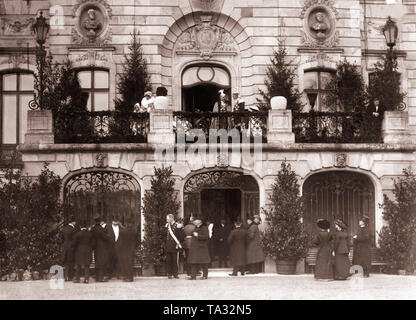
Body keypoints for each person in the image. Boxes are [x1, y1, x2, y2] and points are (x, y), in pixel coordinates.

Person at [91, 216, 111, 282]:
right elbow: (105, 237)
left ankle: (96, 277)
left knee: (97, 262)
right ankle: (100, 278)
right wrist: (109, 237)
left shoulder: (93, 228)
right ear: (100, 221)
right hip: (102, 246)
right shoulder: (101, 229)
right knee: (102, 262)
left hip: (95, 246)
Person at [164, 214, 183, 279]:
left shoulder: (178, 226)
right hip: (168, 246)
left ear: (171, 218)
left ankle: (175, 273)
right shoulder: (167, 226)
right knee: (168, 260)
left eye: (167, 219)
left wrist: (178, 243)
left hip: (175, 245)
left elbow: (181, 236)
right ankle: (169, 273)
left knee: (175, 260)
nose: (166, 220)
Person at [62, 215, 78, 281]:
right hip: (71, 247)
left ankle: (66, 276)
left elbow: (62, 238)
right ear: (73, 222)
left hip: (65, 246)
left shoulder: (64, 228)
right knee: (71, 262)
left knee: (66, 262)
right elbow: (75, 240)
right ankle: (70, 276)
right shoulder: (73, 229)